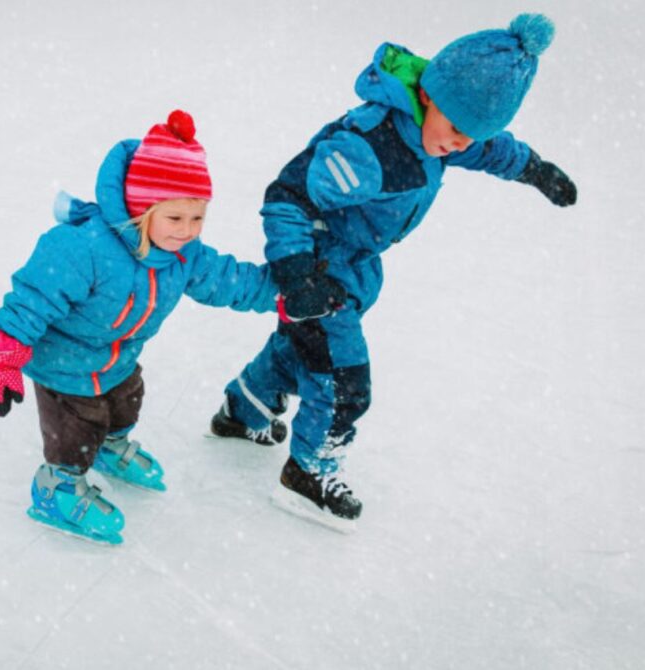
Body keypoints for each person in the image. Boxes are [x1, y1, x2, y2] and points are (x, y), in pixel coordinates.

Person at [209, 14, 578, 532]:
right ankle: (308, 474)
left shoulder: (441, 132)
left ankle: (243, 408)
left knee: (305, 347)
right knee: (343, 378)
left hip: (352, 266)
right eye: (455, 131)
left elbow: (491, 148)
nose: (459, 146)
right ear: (430, 96)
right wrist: (297, 273)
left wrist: (535, 169)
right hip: (320, 269)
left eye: (471, 137)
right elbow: (288, 196)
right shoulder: (371, 147)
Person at [0, 110, 333, 545]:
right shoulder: (83, 247)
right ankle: (57, 485)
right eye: (175, 218)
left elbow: (228, 280)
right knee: (77, 427)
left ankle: (111, 448)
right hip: (65, 363)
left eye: (197, 217)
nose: (187, 231)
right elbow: (31, 300)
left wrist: (284, 294)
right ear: (141, 209)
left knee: (126, 401)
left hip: (118, 356)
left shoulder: (183, 254)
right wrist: (4, 360)